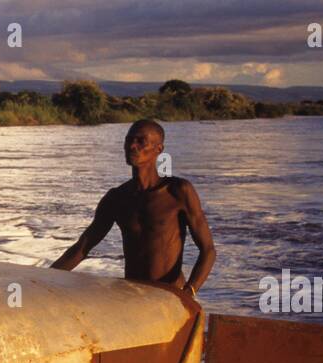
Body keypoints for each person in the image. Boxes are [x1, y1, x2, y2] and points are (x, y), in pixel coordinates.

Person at [51, 119, 215, 300]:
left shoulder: (178, 191)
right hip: (132, 296)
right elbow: (81, 249)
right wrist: (42, 279)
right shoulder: (116, 198)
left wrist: (189, 292)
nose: (132, 146)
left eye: (141, 141)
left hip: (169, 296)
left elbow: (208, 250)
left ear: (158, 149)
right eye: (129, 140)